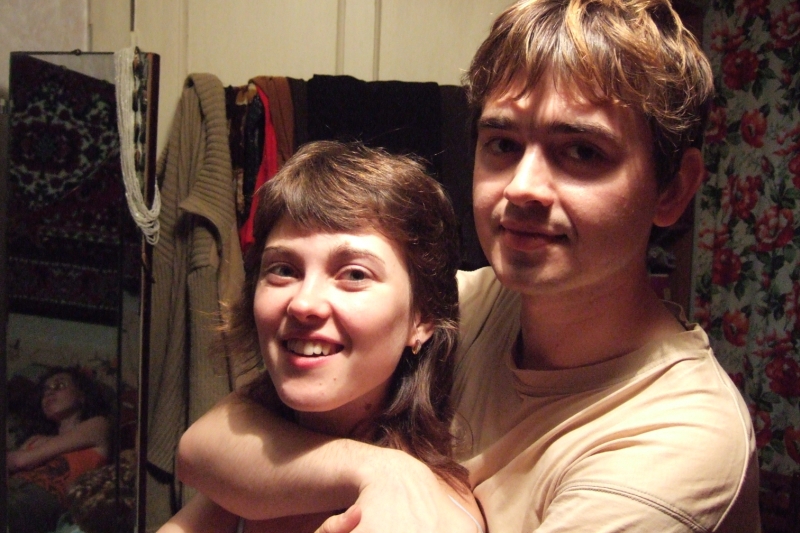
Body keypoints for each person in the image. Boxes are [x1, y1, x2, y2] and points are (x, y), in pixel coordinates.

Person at [175, 0, 761, 531]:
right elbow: (215, 440)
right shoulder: (474, 304)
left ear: (672, 190)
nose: (523, 187)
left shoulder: (676, 439)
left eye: (582, 152)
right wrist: (381, 472)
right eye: (503, 144)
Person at [157, 140, 485, 533]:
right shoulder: (251, 471)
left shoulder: (427, 514)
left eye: (355, 274)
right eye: (283, 270)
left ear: (423, 318)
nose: (303, 303)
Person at [7, 366, 111, 533]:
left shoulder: (98, 425)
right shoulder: (35, 439)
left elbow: (19, 460)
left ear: (81, 395)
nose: (49, 392)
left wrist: (19, 457)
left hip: (44, 498)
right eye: (45, 390)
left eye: (59, 385)